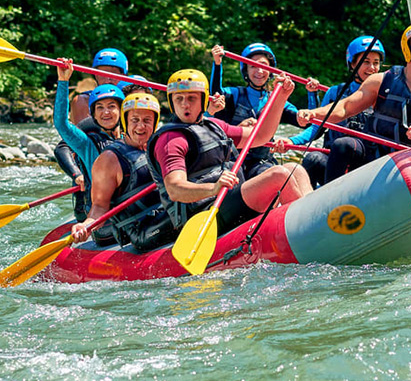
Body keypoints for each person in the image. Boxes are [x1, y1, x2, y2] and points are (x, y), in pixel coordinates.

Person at [148, 69, 311, 236]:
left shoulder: (214, 126)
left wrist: (281, 98)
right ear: (172, 102)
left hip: (229, 198)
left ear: (204, 100)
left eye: (191, 98)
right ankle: (307, 232)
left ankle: (314, 220)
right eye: (179, 99)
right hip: (203, 211)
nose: (185, 104)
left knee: (294, 169)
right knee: (278, 175)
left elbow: (261, 135)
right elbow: (175, 190)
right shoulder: (170, 140)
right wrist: (213, 188)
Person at [297, 24, 411, 185]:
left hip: (409, 158)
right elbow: (346, 107)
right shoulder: (381, 80)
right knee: (342, 145)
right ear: (407, 49)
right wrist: (314, 114)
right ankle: (331, 201)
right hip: (372, 153)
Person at [70, 92, 174, 251]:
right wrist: (86, 226)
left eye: (147, 121)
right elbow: (99, 207)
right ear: (125, 122)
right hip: (140, 229)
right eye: (135, 120)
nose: (140, 126)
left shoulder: (158, 146)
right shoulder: (109, 160)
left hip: (163, 214)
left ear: (155, 123)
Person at [208, 42, 317, 178]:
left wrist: (312, 94)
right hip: (232, 160)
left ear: (271, 70)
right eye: (253, 66)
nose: (259, 71)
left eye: (264, 66)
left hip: (262, 162)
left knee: (270, 173)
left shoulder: (278, 101)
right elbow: (216, 94)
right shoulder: (234, 94)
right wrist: (217, 64)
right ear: (245, 70)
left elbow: (310, 124)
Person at [287, 35, 385, 185]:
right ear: (352, 64)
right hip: (335, 161)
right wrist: (290, 141)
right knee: (314, 159)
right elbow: (316, 130)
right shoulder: (335, 93)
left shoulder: (385, 95)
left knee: (344, 145)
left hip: (367, 161)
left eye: (376, 63)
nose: (372, 68)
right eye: (366, 62)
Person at [54, 58, 124, 220]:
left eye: (111, 106)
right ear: (93, 114)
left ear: (122, 111)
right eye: (100, 108)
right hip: (105, 215)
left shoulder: (132, 137)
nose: (105, 112)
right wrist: (63, 81)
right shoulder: (87, 144)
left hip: (130, 208)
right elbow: (61, 124)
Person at [69, 48, 129, 123]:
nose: (107, 80)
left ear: (123, 76)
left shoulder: (131, 100)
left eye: (113, 74)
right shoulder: (83, 101)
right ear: (96, 76)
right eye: (102, 75)